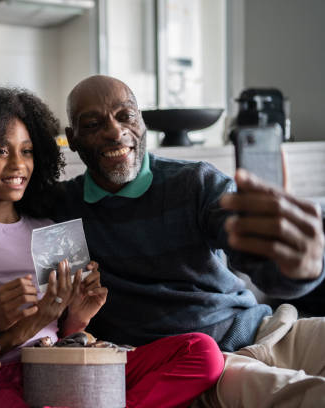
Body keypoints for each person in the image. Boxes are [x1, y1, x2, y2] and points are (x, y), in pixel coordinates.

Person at [0, 85, 224, 408]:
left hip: (69, 358)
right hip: (2, 374)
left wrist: (78, 315)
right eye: (1, 151)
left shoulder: (49, 228)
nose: (18, 165)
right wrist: (26, 318)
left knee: (201, 352)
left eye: (27, 151)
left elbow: (63, 329)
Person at [53, 74, 325, 407]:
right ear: (73, 139)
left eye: (125, 116)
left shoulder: (195, 182)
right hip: (198, 366)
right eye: (93, 124)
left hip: (267, 329)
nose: (114, 131)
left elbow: (259, 260)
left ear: (141, 121)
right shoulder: (62, 208)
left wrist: (302, 268)